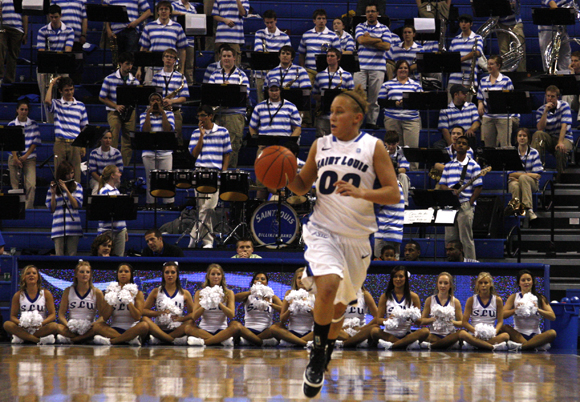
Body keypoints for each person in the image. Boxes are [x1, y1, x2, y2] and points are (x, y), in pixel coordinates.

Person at [286, 85, 399, 397]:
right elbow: (300, 186)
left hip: (357, 238)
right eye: (331, 111)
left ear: (357, 117)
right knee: (328, 285)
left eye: (339, 111)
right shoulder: (319, 146)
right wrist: (281, 172)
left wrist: (363, 192)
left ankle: (326, 346)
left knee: (338, 305)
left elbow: (393, 193)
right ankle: (317, 351)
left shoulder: (373, 147)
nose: (332, 116)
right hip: (323, 230)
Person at [184, 264, 262, 346]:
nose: (216, 277)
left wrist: (219, 303)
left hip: (222, 330)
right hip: (204, 330)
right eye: (213, 274)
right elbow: (194, 316)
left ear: (222, 276)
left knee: (235, 325)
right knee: (188, 327)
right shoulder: (199, 293)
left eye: (218, 274)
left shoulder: (228, 293)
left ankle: (205, 342)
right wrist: (206, 303)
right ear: (208, 276)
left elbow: (231, 315)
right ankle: (222, 340)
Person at [188, 105, 232, 248]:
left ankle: (193, 238)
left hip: (215, 173)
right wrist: (201, 136)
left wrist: (223, 173)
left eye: (203, 115)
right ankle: (207, 242)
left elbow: (227, 154)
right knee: (202, 208)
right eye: (199, 116)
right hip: (200, 172)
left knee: (209, 208)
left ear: (210, 116)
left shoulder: (223, 132)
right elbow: (194, 154)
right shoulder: (196, 133)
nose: (201, 119)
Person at [439, 135, 482, 261]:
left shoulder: (473, 165)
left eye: (464, 143)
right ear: (455, 146)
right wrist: (449, 191)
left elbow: (478, 186)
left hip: (464, 205)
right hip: (449, 206)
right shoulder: (448, 165)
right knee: (450, 239)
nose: (461, 145)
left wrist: (470, 202)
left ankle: (470, 266)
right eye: (458, 143)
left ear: (468, 147)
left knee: (465, 238)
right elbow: (442, 184)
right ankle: (451, 265)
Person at [370, 267, 430, 350]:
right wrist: (388, 319)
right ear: (392, 279)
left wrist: (411, 317)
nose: (398, 279)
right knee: (374, 331)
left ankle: (392, 345)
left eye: (401, 276)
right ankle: (406, 344)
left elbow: (419, 322)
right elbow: (378, 320)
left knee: (425, 331)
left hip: (407, 334)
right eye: (395, 276)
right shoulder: (385, 296)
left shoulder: (414, 297)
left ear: (406, 278)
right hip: (389, 334)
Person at [208, 46, 248, 168]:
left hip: (234, 116)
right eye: (224, 56)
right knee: (216, 146)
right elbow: (209, 95)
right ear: (220, 57)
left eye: (229, 56)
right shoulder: (214, 75)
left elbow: (245, 96)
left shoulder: (242, 75)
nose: (226, 58)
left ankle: (229, 176)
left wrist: (231, 89)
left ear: (234, 58)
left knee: (232, 147)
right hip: (218, 115)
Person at [354, 2, 392, 129]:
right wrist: (378, 40)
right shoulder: (359, 26)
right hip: (361, 66)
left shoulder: (385, 28)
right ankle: (357, 122)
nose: (370, 14)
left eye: (372, 11)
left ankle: (371, 122)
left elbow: (386, 46)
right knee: (358, 97)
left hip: (378, 68)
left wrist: (369, 39)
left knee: (374, 98)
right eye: (368, 11)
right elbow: (361, 40)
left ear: (377, 13)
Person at [99, 51, 140, 167]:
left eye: (131, 64)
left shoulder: (134, 81)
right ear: (120, 64)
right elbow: (102, 97)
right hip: (114, 111)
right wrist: (116, 106)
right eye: (127, 64)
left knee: (128, 139)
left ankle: (123, 167)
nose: (130, 67)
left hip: (130, 112)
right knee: (114, 135)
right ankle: (111, 166)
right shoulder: (109, 79)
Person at [93, 263, 149, 346]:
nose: (123, 273)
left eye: (126, 271)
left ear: (131, 274)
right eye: (120, 271)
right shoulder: (110, 291)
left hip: (132, 328)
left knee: (144, 325)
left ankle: (113, 341)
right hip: (114, 329)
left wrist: (129, 301)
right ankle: (128, 339)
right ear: (117, 274)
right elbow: (105, 317)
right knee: (96, 327)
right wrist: (111, 300)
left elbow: (137, 317)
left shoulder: (138, 293)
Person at [45, 76, 89, 184]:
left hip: (76, 143)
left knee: (76, 175)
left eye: (71, 89)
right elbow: (47, 100)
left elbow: (85, 127)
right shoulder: (56, 103)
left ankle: (75, 198)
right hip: (60, 142)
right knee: (59, 174)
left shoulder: (80, 106)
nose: (69, 92)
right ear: (60, 91)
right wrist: (51, 84)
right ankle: (60, 197)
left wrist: (83, 145)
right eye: (66, 90)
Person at [502, 269, 557, 351]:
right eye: (523, 280)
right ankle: (533, 346)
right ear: (519, 283)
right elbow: (502, 314)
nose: (526, 282)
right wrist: (515, 310)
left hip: (535, 335)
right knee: (505, 327)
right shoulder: (514, 297)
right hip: (518, 335)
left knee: (552, 333)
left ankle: (522, 346)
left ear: (532, 282)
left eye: (529, 280)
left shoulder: (540, 298)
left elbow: (552, 316)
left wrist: (538, 309)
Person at [3, 265, 59, 344]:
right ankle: (36, 340)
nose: (31, 275)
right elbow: (13, 316)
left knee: (54, 326)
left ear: (38, 277)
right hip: (24, 328)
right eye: (28, 273)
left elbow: (52, 315)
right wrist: (21, 323)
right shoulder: (18, 295)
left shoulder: (46, 293)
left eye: (34, 273)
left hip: (40, 328)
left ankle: (25, 337)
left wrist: (41, 324)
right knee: (7, 324)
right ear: (24, 277)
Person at [36, 5, 74, 120]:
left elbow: (68, 51)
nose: (53, 19)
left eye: (56, 17)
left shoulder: (69, 30)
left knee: (66, 90)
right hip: (47, 65)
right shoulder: (42, 31)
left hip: (62, 65)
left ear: (60, 16)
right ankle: (49, 121)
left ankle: (65, 117)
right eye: (51, 17)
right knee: (46, 95)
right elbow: (41, 53)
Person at [142, 261, 194, 345]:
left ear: (177, 274)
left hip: (177, 329)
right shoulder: (156, 291)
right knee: (144, 319)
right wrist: (158, 313)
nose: (170, 275)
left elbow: (193, 314)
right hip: (159, 328)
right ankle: (173, 340)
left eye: (173, 272)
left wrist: (182, 319)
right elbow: (143, 311)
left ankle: (160, 339)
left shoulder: (185, 293)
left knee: (191, 322)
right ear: (163, 274)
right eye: (167, 272)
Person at [457, 272, 512, 351]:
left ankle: (477, 345)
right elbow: (464, 322)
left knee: (506, 335)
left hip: (490, 335)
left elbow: (500, 321)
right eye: (481, 283)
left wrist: (494, 332)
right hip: (475, 334)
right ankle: (490, 346)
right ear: (477, 285)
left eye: (486, 283)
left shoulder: (497, 300)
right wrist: (476, 332)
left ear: (490, 284)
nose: (483, 285)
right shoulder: (471, 300)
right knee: (462, 333)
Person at [140, 92, 176, 208]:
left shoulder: (169, 114)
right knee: (151, 179)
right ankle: (151, 203)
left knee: (167, 178)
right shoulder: (143, 115)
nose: (155, 102)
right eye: (153, 100)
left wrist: (163, 113)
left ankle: (168, 203)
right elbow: (145, 131)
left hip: (165, 152)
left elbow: (167, 130)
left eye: (157, 100)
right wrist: (148, 114)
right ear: (149, 103)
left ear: (161, 102)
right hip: (149, 152)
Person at [137, 1, 187, 83]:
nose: (163, 11)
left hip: (171, 67)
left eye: (166, 9)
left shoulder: (177, 27)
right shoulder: (149, 26)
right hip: (152, 67)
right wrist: (139, 69)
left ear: (170, 12)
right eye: (161, 9)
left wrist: (182, 70)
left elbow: (182, 50)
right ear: (158, 12)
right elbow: (143, 48)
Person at [379, 60, 422, 154]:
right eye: (400, 68)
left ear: (409, 70)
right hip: (392, 119)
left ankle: (413, 169)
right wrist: (395, 103)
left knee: (412, 151)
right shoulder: (387, 84)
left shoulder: (416, 85)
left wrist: (408, 102)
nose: (403, 70)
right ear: (396, 70)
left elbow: (421, 102)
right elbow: (381, 101)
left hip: (411, 120)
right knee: (394, 151)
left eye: (405, 68)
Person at [56, 260, 104, 344]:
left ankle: (72, 339)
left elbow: (102, 316)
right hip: (72, 328)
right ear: (76, 275)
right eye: (82, 272)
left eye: (87, 272)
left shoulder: (97, 292)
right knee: (55, 326)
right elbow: (61, 314)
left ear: (90, 275)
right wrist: (68, 325)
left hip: (89, 328)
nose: (85, 274)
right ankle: (84, 339)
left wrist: (93, 325)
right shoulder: (68, 291)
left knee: (98, 328)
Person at [249, 77, 302, 153]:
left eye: (276, 90)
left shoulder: (291, 106)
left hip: (284, 147)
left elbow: (297, 128)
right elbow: (252, 127)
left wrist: (289, 144)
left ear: (280, 90)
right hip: (265, 147)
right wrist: (259, 142)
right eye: (271, 90)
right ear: (267, 91)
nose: (274, 93)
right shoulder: (259, 107)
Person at [531, 85, 573, 177]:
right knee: (538, 134)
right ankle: (535, 171)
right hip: (550, 137)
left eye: (552, 96)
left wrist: (560, 142)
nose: (550, 99)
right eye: (548, 96)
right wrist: (545, 112)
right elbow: (540, 128)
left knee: (561, 148)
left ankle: (560, 176)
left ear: (557, 97)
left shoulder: (564, 106)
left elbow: (564, 126)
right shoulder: (540, 110)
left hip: (564, 137)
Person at [312, 48, 355, 138]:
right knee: (321, 141)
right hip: (323, 114)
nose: (329, 58)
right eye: (328, 56)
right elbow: (314, 94)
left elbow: (352, 95)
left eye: (332, 56)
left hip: (340, 116)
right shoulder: (320, 75)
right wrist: (324, 98)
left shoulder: (347, 75)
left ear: (338, 58)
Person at [477, 55, 518, 148]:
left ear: (498, 66)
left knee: (505, 146)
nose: (488, 66)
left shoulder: (506, 80)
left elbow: (512, 99)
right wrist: (480, 104)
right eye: (488, 64)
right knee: (489, 147)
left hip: (503, 117)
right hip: (488, 117)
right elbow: (480, 98)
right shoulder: (483, 81)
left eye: (491, 64)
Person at [269, 267, 314, 347]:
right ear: (295, 280)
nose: (301, 280)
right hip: (292, 332)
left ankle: (292, 342)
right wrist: (291, 308)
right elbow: (282, 319)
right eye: (299, 277)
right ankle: (305, 343)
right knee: (274, 328)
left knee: (325, 328)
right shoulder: (289, 293)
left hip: (309, 333)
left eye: (304, 277)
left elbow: (319, 318)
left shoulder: (314, 294)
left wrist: (308, 307)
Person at [253, 9, 291, 103]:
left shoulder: (284, 36)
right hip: (261, 75)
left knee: (278, 99)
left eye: (271, 22)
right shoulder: (259, 33)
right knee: (261, 100)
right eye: (267, 23)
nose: (269, 25)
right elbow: (259, 52)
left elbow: (287, 55)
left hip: (278, 73)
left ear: (276, 21)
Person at [7, 99, 40, 209]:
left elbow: (35, 142)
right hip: (14, 157)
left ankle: (28, 208)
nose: (24, 111)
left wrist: (25, 156)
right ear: (17, 110)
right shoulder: (11, 124)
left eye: (26, 109)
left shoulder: (33, 124)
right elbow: (10, 143)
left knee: (31, 185)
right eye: (22, 109)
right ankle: (16, 208)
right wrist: (16, 157)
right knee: (15, 185)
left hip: (29, 158)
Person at [46, 160, 83, 256]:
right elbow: (52, 209)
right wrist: (53, 193)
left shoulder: (77, 186)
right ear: (62, 175)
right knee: (59, 257)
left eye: (72, 173)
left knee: (72, 255)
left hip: (73, 227)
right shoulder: (53, 187)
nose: (70, 176)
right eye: (67, 174)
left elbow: (76, 205)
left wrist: (66, 190)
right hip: (58, 227)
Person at [152, 47, 190, 142]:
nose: (168, 59)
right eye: (167, 56)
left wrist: (171, 101)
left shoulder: (181, 77)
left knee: (175, 139)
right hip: (158, 111)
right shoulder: (156, 76)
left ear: (175, 61)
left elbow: (184, 98)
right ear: (163, 59)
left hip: (174, 111)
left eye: (171, 57)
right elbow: (152, 95)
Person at [234, 272, 283, 346]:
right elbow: (234, 298)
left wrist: (270, 304)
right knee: (235, 325)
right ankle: (263, 342)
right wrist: (251, 292)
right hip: (249, 330)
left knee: (278, 326)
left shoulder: (272, 297)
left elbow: (283, 310)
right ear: (253, 282)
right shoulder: (248, 296)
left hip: (266, 331)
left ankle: (250, 341)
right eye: (257, 279)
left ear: (266, 283)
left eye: (263, 279)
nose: (259, 281)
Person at [420, 272, 463, 350]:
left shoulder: (455, 301)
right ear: (437, 284)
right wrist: (433, 319)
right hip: (434, 335)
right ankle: (444, 344)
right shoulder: (430, 300)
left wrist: (451, 321)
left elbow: (462, 323)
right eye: (440, 283)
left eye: (446, 283)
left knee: (461, 334)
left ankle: (432, 346)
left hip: (450, 336)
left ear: (450, 285)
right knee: (424, 332)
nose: (442, 286)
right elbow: (422, 321)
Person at [508, 128, 543, 220]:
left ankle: (528, 209)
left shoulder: (534, 152)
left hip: (532, 183)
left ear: (528, 138)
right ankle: (518, 212)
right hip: (514, 181)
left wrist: (519, 176)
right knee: (515, 185)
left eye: (524, 136)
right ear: (516, 138)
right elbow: (510, 174)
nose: (522, 138)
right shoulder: (512, 153)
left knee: (523, 178)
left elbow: (537, 175)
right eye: (520, 136)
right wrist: (528, 175)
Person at [298, 9, 341, 85]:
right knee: (306, 92)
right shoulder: (306, 35)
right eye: (319, 18)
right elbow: (301, 54)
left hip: (326, 71)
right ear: (314, 21)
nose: (321, 21)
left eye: (323, 18)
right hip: (309, 70)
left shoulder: (333, 36)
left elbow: (338, 55)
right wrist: (302, 69)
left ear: (326, 21)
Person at [51, 0, 87, 83]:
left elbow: (84, 19)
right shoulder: (55, 1)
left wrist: (83, 35)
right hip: (60, 39)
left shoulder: (81, 1)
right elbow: (51, 17)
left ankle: (75, 90)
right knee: (62, 67)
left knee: (77, 66)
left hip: (77, 39)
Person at [437, 84, 481, 149]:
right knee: (438, 145)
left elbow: (477, 122)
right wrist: (451, 145)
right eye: (463, 93)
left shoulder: (472, 106)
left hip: (466, 136)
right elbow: (444, 129)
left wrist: (471, 129)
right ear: (456, 95)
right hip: (452, 137)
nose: (466, 95)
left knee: (471, 139)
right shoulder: (445, 109)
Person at [97, 165, 128, 257]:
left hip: (120, 230)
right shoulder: (104, 191)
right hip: (107, 231)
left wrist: (125, 228)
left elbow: (121, 213)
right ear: (112, 175)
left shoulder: (116, 191)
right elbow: (102, 212)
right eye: (118, 172)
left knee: (119, 258)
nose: (120, 174)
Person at [447, 14, 483, 91]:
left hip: (469, 78)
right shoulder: (455, 40)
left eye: (466, 22)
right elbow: (449, 58)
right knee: (450, 103)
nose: (463, 24)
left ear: (471, 24)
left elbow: (477, 52)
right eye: (461, 22)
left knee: (467, 103)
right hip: (454, 79)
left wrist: (460, 60)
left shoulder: (477, 38)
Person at [539, 0, 573, 73]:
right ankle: (549, 75)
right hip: (547, 29)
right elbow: (552, 4)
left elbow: (571, 7)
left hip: (562, 28)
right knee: (547, 55)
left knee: (565, 52)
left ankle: (566, 75)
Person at [212, 0, 249, 65]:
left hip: (235, 38)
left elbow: (243, 13)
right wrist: (224, 20)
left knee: (235, 67)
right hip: (221, 37)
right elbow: (215, 15)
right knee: (219, 66)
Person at [374, 182, 404, 260]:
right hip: (396, 233)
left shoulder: (387, 187)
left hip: (385, 233)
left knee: (380, 267)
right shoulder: (398, 186)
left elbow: (373, 205)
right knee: (394, 268)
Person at [0, 0, 28, 84]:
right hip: (3, 26)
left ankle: (9, 80)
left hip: (17, 28)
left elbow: (25, 14)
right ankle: (0, 76)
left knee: (13, 55)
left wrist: (25, 32)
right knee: (0, 48)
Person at [171, 0, 198, 85]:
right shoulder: (174, 5)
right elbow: (169, 12)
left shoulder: (193, 8)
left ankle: (189, 84)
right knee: (177, 64)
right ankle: (175, 83)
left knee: (189, 64)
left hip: (190, 40)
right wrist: (180, 14)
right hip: (177, 41)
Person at [88, 130, 124, 195]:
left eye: (110, 138)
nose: (108, 140)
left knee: (112, 188)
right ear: (100, 139)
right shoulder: (94, 153)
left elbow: (120, 170)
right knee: (97, 187)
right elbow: (93, 172)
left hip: (113, 179)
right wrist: (102, 181)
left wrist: (109, 181)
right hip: (97, 179)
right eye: (105, 138)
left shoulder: (117, 153)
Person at [384, 130, 411, 203]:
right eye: (389, 144)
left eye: (393, 144)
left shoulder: (403, 151)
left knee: (403, 176)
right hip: (384, 177)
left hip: (398, 177)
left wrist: (393, 170)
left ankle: (404, 203)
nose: (391, 147)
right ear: (385, 143)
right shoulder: (381, 151)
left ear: (397, 143)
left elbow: (403, 170)